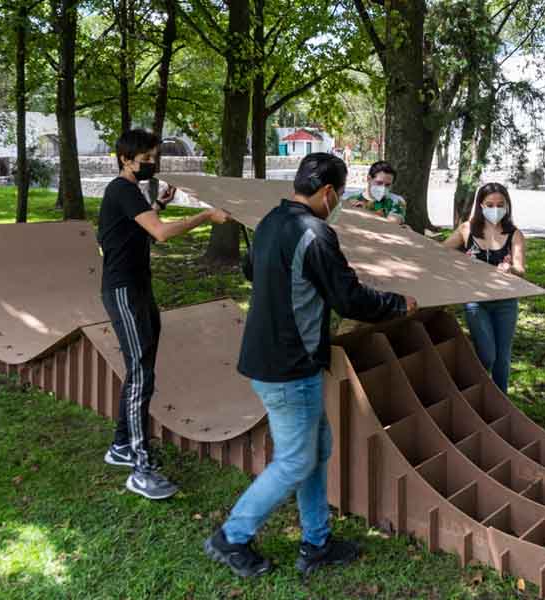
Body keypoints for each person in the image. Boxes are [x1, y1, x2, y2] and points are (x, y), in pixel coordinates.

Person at [204, 152, 418, 578]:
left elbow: (253, 271)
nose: (336, 202)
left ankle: (316, 542)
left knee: (316, 450)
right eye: (336, 195)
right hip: (290, 364)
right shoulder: (315, 234)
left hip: (270, 356)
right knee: (297, 461)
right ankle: (232, 536)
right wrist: (398, 304)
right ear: (327, 192)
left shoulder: (269, 222)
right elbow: (349, 298)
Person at [98, 129, 231, 500]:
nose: (152, 165)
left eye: (155, 158)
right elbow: (160, 235)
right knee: (140, 372)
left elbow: (139, 228)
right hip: (123, 290)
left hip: (139, 289)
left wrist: (161, 205)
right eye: (147, 160)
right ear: (126, 159)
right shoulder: (120, 189)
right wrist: (205, 216)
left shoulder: (130, 192)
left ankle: (122, 445)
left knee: (143, 369)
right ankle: (140, 467)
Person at [443, 182, 525, 394]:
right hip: (476, 302)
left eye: (500, 204)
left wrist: (511, 269)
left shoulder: (514, 234)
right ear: (480, 205)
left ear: (507, 206)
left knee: (502, 359)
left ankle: (501, 402)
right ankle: (470, 391)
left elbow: (521, 268)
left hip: (506, 302)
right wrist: (462, 260)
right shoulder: (467, 230)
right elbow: (440, 253)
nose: (495, 209)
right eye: (490, 204)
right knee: (488, 355)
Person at [347, 161, 407, 225]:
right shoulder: (352, 200)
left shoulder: (397, 201)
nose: (383, 188)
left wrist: (363, 211)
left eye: (387, 185)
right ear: (369, 179)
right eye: (379, 183)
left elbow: (391, 225)